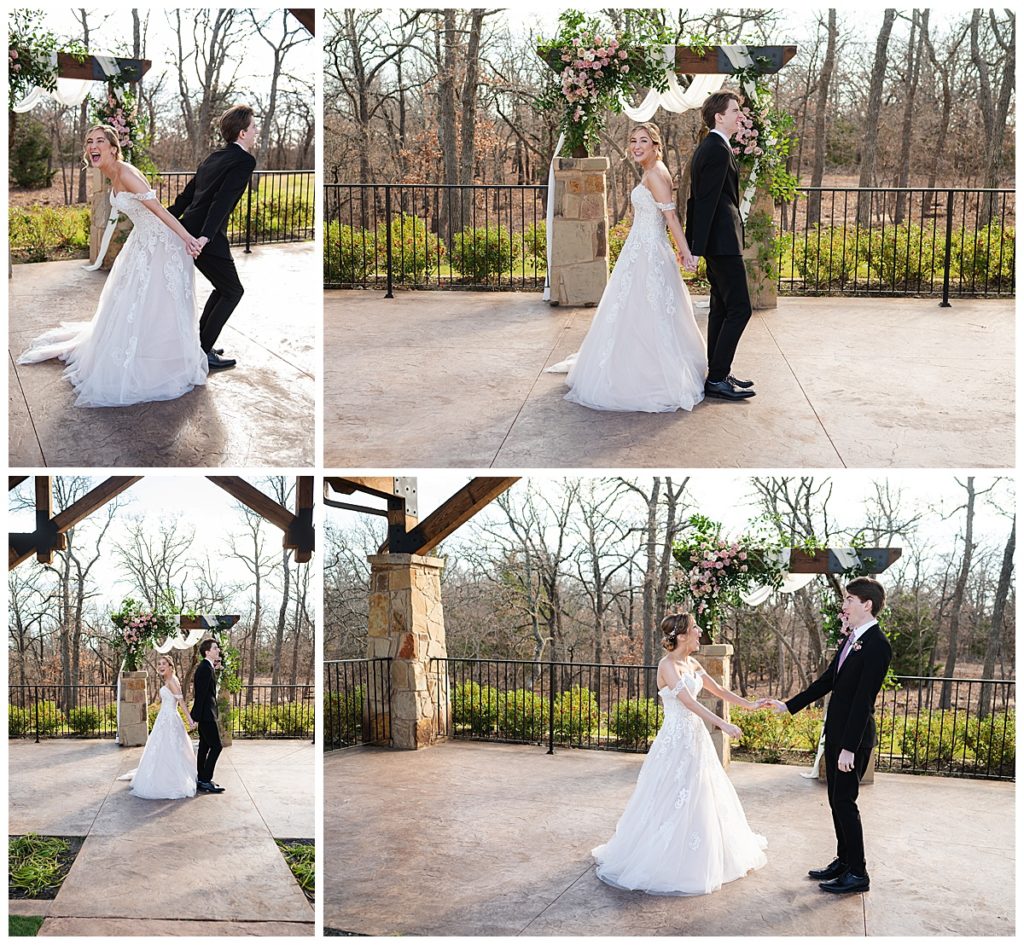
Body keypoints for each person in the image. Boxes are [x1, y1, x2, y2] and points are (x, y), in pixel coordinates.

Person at [16, 125, 208, 406]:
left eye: (99, 141)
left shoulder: (126, 173)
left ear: (113, 148)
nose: (92, 145)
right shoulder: (110, 173)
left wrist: (188, 239)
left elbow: (159, 211)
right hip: (141, 242)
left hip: (161, 247)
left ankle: (161, 361)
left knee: (154, 305)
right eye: (88, 141)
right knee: (130, 302)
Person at [593, 613, 767, 895]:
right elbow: (686, 701)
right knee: (672, 794)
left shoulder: (693, 663)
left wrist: (749, 704)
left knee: (702, 792)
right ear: (682, 635)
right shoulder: (667, 664)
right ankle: (665, 856)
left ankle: (704, 853)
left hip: (696, 738)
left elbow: (719, 689)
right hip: (675, 741)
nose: (700, 631)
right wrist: (721, 724)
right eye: (695, 627)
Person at [546, 123, 707, 412]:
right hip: (640, 248)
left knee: (646, 310)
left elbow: (671, 219)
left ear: (656, 145)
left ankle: (647, 375)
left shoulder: (656, 175)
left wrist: (686, 253)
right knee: (634, 310)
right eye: (633, 140)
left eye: (643, 141)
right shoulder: (652, 171)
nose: (636, 146)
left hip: (648, 252)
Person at [762, 577, 892, 894]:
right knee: (836, 801)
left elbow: (863, 700)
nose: (843, 605)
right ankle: (844, 860)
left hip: (853, 740)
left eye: (848, 599)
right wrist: (789, 705)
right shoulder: (852, 640)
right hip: (835, 735)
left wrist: (848, 748)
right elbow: (826, 682)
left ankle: (858, 873)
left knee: (845, 803)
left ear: (866, 604)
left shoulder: (877, 645)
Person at [169, 104, 258, 371]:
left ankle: (200, 344)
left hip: (192, 230)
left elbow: (187, 196)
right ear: (242, 133)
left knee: (224, 288)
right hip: (207, 236)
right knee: (233, 291)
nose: (256, 132)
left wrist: (170, 219)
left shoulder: (213, 157)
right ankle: (202, 350)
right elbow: (223, 200)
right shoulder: (244, 161)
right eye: (253, 127)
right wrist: (206, 236)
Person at [685, 90, 756, 402]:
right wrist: (696, 246)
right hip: (720, 242)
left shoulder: (716, 146)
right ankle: (716, 377)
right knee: (741, 308)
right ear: (719, 116)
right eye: (734, 110)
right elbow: (704, 201)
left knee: (722, 307)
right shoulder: (715, 148)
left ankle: (718, 372)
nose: (739, 115)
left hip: (720, 240)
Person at [118, 655, 198, 800]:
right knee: (161, 748)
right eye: (159, 664)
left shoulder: (172, 681)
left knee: (170, 748)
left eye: (164, 664)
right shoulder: (168, 680)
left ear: (170, 666)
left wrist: (190, 719)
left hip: (170, 720)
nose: (160, 666)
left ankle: (170, 779)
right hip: (163, 718)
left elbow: (181, 702)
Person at [191, 639, 225, 793]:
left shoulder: (207, 667)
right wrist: (196, 716)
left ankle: (202, 778)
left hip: (206, 714)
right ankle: (205, 779)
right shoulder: (205, 668)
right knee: (217, 746)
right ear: (207, 652)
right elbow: (201, 695)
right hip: (206, 715)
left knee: (204, 747)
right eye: (215, 648)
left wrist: (216, 669)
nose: (218, 650)